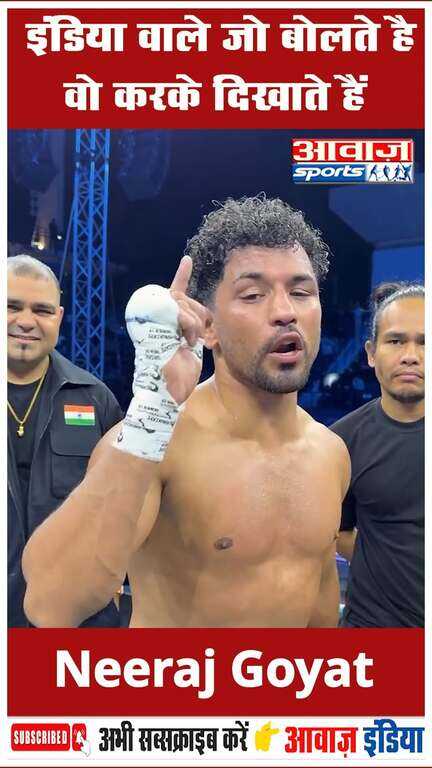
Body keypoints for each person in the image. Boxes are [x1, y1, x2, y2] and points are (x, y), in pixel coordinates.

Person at [23, 196, 350, 628]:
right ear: (208, 326)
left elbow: (319, 606)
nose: (285, 312)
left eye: (301, 292)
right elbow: (52, 604)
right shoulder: (159, 445)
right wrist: (153, 410)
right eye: (253, 295)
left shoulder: (330, 453)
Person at [8, 255, 123, 627]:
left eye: (41, 310)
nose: (26, 321)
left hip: (77, 622)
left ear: (58, 318)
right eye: (12, 307)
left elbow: (124, 503)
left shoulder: (95, 399)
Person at [333, 282, 424, 627]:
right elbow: (339, 533)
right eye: (396, 341)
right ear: (371, 353)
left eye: (424, 342)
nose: (410, 355)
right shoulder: (341, 442)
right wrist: (386, 567)